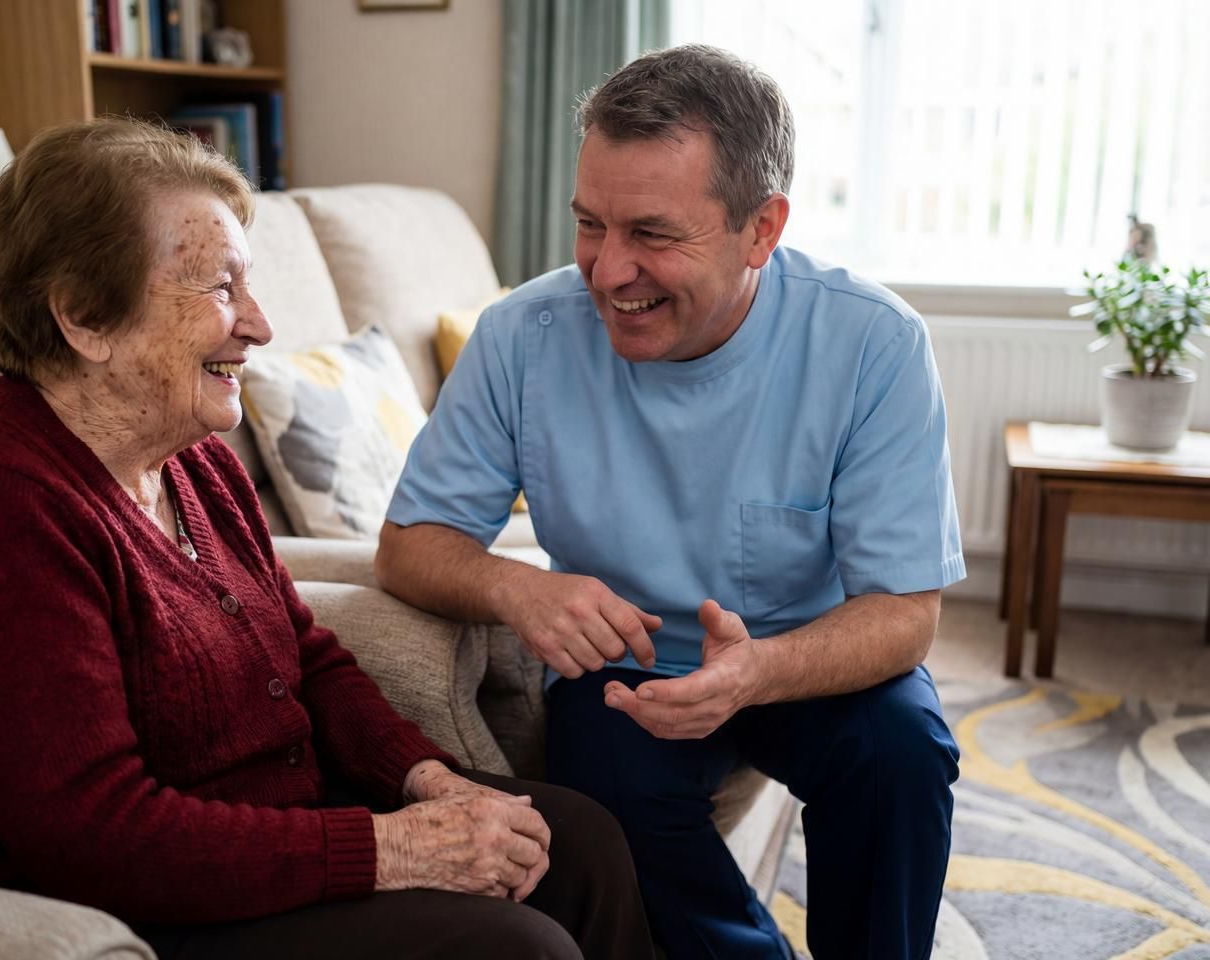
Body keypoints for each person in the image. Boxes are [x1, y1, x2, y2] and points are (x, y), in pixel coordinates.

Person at [0, 116, 654, 960]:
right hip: (97, 910)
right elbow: (95, 837)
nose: (261, 326)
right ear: (86, 317)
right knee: (515, 948)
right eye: (220, 289)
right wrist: (399, 849)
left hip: (265, 834)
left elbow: (307, 657)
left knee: (580, 843)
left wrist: (428, 780)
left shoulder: (191, 459)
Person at [377, 44, 964, 960]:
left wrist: (758, 673)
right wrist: (516, 589)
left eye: (651, 234)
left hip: (810, 658)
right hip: (627, 676)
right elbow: (409, 543)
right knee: (602, 787)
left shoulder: (873, 345)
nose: (609, 272)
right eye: (589, 225)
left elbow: (905, 615)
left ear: (761, 229)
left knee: (905, 754)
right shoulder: (518, 338)